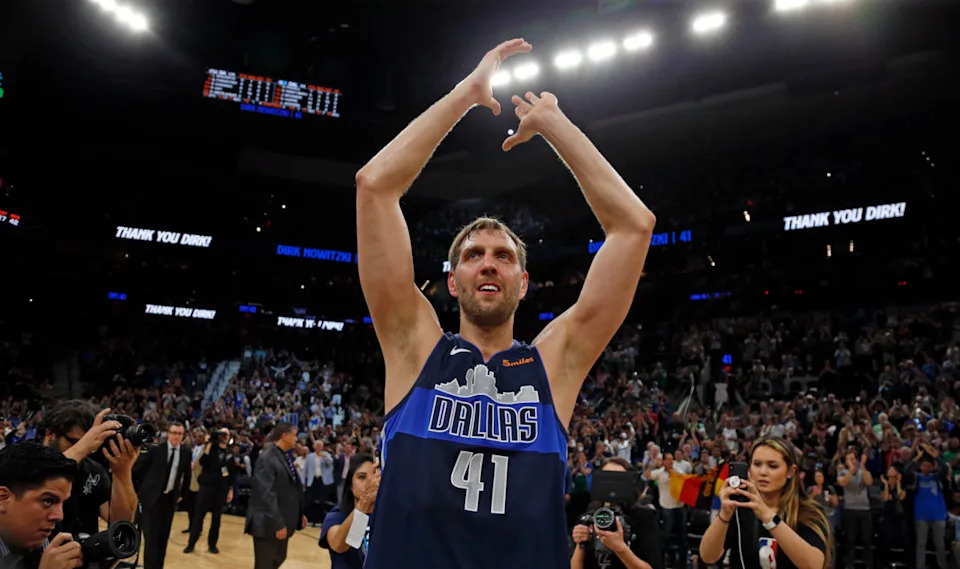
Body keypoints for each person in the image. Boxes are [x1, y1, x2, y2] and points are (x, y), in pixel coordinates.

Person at [355, 38, 656, 569]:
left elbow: (635, 226)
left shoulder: (555, 364)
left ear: (523, 282)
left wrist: (555, 124)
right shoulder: (412, 347)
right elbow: (374, 186)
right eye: (473, 255)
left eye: (503, 257)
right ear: (452, 282)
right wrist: (466, 94)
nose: (489, 264)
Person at [699, 436, 832, 569]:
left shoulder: (809, 512)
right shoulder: (739, 507)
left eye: (772, 466)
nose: (763, 472)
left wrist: (769, 517)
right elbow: (708, 557)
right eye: (757, 464)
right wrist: (724, 515)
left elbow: (814, 565)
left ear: (791, 471)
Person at [41, 402, 138, 537]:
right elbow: (40, 478)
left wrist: (122, 472)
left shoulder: (93, 470)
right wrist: (84, 445)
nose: (87, 449)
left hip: (82, 548)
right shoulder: (25, 458)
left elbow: (120, 520)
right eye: (76, 442)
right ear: (50, 434)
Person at [571, 457, 663, 569]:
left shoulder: (645, 517)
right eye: (607, 477)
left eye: (618, 478)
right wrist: (580, 544)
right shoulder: (587, 519)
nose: (612, 484)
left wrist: (621, 549)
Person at [0, 442, 79, 569]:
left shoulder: (44, 537)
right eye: (48, 501)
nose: (59, 516)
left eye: (62, 503)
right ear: (3, 498)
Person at [244, 423, 307, 569]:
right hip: (268, 524)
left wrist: (299, 514)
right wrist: (277, 523)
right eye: (294, 435)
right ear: (284, 436)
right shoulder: (268, 458)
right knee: (265, 564)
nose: (296, 439)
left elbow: (291, 488)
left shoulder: (283, 456)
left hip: (282, 519)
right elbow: (266, 494)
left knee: (278, 558)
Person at [133, 421, 190, 569]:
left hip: (169, 500)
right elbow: (136, 468)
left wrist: (182, 495)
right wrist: (137, 491)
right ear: (168, 434)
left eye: (180, 434)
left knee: (163, 538)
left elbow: (187, 476)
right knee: (151, 538)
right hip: (151, 500)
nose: (176, 436)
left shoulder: (185, 452)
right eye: (174, 433)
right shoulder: (156, 450)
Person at [319, 454, 380, 569]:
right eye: (362, 477)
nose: (370, 482)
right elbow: (339, 546)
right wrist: (364, 503)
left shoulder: (387, 517)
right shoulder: (337, 516)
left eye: (375, 476)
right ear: (351, 485)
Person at [184, 428, 233, 554]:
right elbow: (203, 462)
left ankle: (212, 545)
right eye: (222, 434)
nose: (224, 437)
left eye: (226, 434)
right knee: (199, 516)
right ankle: (191, 544)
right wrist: (209, 443)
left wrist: (230, 489)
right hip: (207, 487)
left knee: (217, 519)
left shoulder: (229, 452)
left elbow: (231, 472)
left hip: (221, 489)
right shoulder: (211, 448)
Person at [643, 453, 688, 567]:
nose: (670, 462)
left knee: (682, 536)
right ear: (663, 461)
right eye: (668, 460)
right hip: (666, 508)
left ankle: (682, 562)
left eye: (671, 459)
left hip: (679, 507)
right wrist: (653, 465)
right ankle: (668, 558)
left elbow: (685, 481)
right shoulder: (659, 473)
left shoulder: (679, 471)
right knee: (666, 536)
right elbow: (646, 475)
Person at [910, 455, 949, 569]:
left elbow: (945, 468)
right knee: (921, 543)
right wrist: (916, 458)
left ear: (932, 467)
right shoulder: (917, 478)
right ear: (920, 466)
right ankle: (920, 566)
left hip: (938, 515)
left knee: (940, 544)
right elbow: (906, 470)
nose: (926, 467)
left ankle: (943, 565)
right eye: (924, 465)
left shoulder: (937, 478)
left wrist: (936, 457)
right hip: (921, 516)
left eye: (929, 466)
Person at [837, 448, 873, 569]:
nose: (850, 461)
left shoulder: (863, 471)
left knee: (867, 539)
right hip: (850, 509)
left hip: (864, 509)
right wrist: (851, 471)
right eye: (848, 459)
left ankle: (869, 565)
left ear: (856, 460)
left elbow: (869, 482)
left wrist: (862, 467)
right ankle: (849, 565)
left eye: (852, 459)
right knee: (850, 539)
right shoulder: (842, 472)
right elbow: (843, 483)